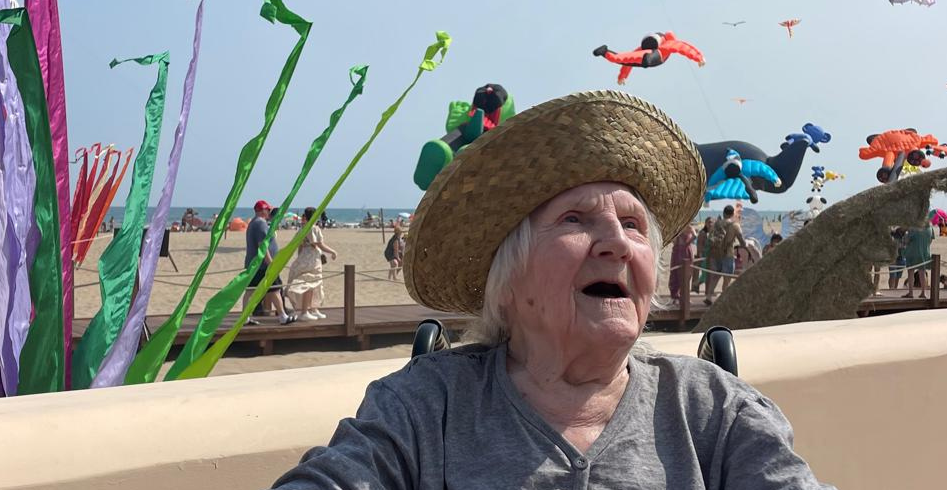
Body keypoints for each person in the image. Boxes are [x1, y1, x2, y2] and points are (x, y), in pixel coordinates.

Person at [270, 91, 831, 489]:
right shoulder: (425, 409)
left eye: (634, 225)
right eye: (574, 220)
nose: (616, 242)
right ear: (507, 279)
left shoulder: (712, 411)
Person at [245, 199, 295, 325]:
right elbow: (262, 246)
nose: (269, 212)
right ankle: (283, 316)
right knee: (274, 289)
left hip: (255, 264)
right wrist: (270, 263)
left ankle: (245, 318)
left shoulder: (253, 223)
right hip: (262, 265)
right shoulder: (260, 223)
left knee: (253, 290)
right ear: (262, 210)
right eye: (268, 210)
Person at [286, 207, 338, 320]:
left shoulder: (302, 228)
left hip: (304, 257)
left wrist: (300, 258)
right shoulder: (314, 228)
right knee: (311, 283)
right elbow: (319, 244)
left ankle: (312, 309)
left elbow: (299, 246)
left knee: (314, 284)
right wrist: (332, 251)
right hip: (312, 259)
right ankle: (305, 311)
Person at [704, 205, 745, 305]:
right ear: (732, 214)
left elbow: (710, 237)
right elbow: (741, 240)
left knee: (716, 276)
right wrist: (742, 245)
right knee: (727, 277)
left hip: (715, 253)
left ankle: (709, 296)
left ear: (723, 213)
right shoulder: (735, 225)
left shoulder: (717, 223)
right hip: (728, 253)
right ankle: (723, 299)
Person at [902, 222, 935, 299]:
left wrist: (905, 236)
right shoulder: (930, 227)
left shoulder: (913, 227)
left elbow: (907, 241)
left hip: (912, 252)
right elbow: (931, 240)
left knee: (911, 272)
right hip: (924, 252)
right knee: (922, 272)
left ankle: (911, 293)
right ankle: (923, 293)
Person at [668, 223, 696, 303]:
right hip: (681, 251)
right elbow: (694, 236)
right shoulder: (684, 227)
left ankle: (680, 296)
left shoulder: (686, 227)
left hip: (683, 251)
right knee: (676, 274)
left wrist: (687, 242)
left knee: (683, 274)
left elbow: (694, 236)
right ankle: (677, 296)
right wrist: (687, 242)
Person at [693, 217, 714, 294]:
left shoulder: (710, 232)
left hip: (709, 256)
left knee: (708, 275)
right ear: (705, 223)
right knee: (705, 275)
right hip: (704, 257)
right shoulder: (703, 233)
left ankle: (707, 291)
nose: (710, 224)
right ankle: (695, 284)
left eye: (712, 222)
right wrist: (701, 255)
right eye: (709, 222)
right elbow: (699, 245)